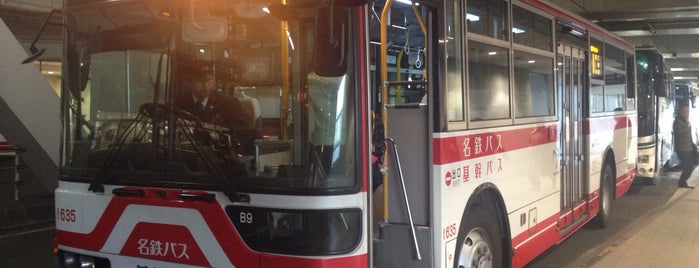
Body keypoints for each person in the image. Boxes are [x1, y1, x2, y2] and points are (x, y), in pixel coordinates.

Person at [177, 72, 252, 132]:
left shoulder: (228, 103)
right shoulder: (181, 103)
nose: (206, 86)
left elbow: (245, 126)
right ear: (190, 82)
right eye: (199, 81)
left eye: (209, 80)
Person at [673, 104, 696, 189]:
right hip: (682, 148)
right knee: (687, 167)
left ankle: (683, 181)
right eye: (685, 111)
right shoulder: (678, 122)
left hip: (689, 146)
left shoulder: (685, 121)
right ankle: (682, 182)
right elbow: (679, 134)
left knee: (692, 164)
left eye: (688, 111)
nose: (687, 113)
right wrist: (687, 126)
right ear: (681, 112)